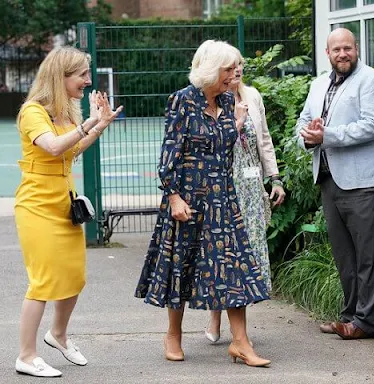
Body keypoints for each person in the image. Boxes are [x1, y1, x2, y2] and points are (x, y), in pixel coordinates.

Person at [134, 40, 270, 367]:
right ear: (210, 69)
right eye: (227, 69)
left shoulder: (226, 100)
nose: (233, 75)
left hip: (223, 196)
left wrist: (235, 123)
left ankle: (241, 342)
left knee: (234, 266)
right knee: (182, 264)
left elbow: (225, 147)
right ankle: (173, 335)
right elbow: (169, 155)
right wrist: (174, 196)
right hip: (188, 197)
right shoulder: (182, 101)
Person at [14, 46, 122, 377]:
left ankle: (57, 335)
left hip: (64, 202)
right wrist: (87, 123)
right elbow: (52, 147)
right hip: (36, 206)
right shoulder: (33, 112)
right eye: (82, 76)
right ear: (61, 77)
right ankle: (26, 356)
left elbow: (71, 151)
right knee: (43, 281)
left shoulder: (66, 114)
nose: (88, 82)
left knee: (74, 276)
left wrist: (98, 125)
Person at [295, 28, 374, 339]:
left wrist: (328, 136)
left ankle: (365, 322)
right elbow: (303, 121)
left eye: (347, 48)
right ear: (327, 53)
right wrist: (308, 137)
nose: (342, 54)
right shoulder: (319, 83)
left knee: (368, 257)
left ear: (357, 48)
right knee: (344, 256)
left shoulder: (371, 80)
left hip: (365, 183)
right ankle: (349, 315)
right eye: (336, 50)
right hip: (329, 179)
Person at [204, 47, 286, 344]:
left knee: (248, 252)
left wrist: (274, 178)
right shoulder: (212, 98)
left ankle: (238, 326)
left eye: (240, 64)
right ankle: (217, 316)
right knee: (224, 251)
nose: (237, 70)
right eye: (231, 65)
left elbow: (264, 139)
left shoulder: (253, 96)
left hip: (251, 185)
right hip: (224, 183)